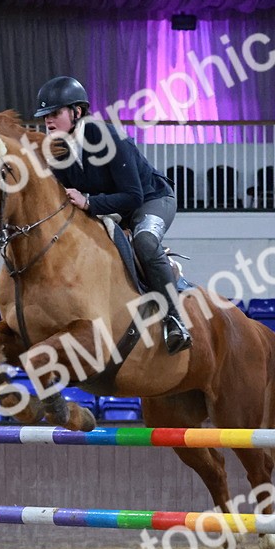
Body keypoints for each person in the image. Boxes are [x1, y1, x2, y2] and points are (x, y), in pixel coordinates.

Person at [33, 75, 191, 354]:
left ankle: (175, 320)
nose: (48, 121)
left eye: (55, 113)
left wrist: (89, 203)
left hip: (151, 200)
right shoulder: (56, 152)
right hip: (111, 207)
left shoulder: (108, 137)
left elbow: (133, 196)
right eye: (45, 116)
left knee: (144, 241)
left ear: (77, 112)